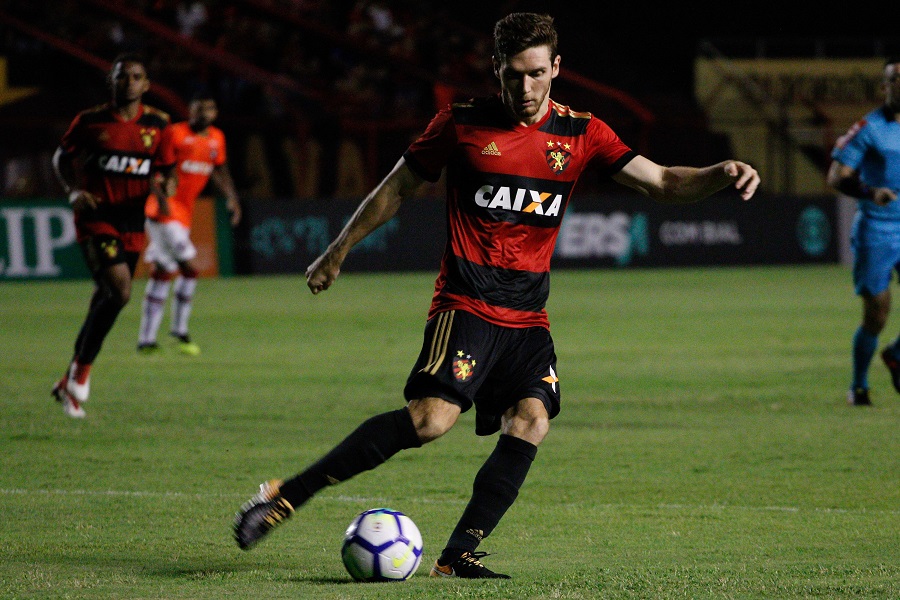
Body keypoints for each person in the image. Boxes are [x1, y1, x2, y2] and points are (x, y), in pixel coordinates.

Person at [233, 12, 760, 578]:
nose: (526, 89)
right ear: (496, 71)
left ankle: (456, 556)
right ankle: (286, 494)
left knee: (532, 419)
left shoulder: (583, 133)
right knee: (432, 421)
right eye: (514, 76)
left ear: (556, 67)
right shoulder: (460, 125)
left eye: (537, 74)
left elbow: (662, 182)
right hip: (467, 304)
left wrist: (720, 172)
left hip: (529, 315)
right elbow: (398, 188)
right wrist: (338, 249)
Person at [51, 53, 173, 419]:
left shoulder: (158, 124)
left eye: (137, 77)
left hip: (133, 220)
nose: (129, 83)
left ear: (146, 85)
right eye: (122, 77)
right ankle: (82, 371)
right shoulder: (90, 121)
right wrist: (73, 190)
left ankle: (69, 378)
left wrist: (165, 185)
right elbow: (61, 157)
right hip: (96, 215)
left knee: (105, 298)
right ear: (112, 82)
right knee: (120, 290)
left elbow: (167, 169)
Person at [136, 92, 241, 356]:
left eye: (209, 108)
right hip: (162, 211)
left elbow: (219, 169)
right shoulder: (174, 133)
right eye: (198, 108)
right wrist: (160, 199)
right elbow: (152, 168)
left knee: (163, 272)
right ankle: (179, 330)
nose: (203, 114)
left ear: (215, 113)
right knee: (190, 267)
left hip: (183, 214)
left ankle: (146, 340)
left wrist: (232, 198)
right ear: (190, 111)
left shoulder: (217, 138)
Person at [827, 57, 900, 407]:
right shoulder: (869, 128)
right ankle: (858, 385)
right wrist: (872, 193)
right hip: (878, 229)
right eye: (896, 79)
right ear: (885, 86)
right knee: (877, 315)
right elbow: (836, 177)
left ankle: (896, 355)